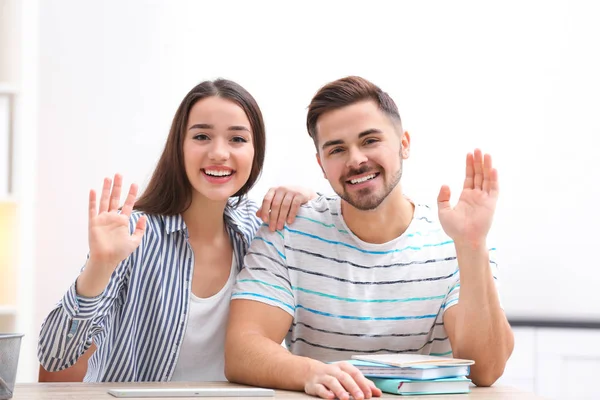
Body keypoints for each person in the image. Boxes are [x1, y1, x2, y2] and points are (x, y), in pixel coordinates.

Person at [225, 76, 514, 399]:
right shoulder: (288, 233)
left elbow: (486, 369)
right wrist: (311, 372)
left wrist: (472, 246)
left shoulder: (456, 240)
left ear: (404, 144)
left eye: (370, 140)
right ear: (321, 164)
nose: (355, 160)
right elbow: (241, 350)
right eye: (337, 149)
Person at [37, 79, 315, 382]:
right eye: (202, 136)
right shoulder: (134, 233)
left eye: (237, 139)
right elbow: (55, 358)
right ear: (178, 147)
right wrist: (98, 268)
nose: (219, 153)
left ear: (255, 151)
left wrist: (309, 198)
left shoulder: (259, 229)